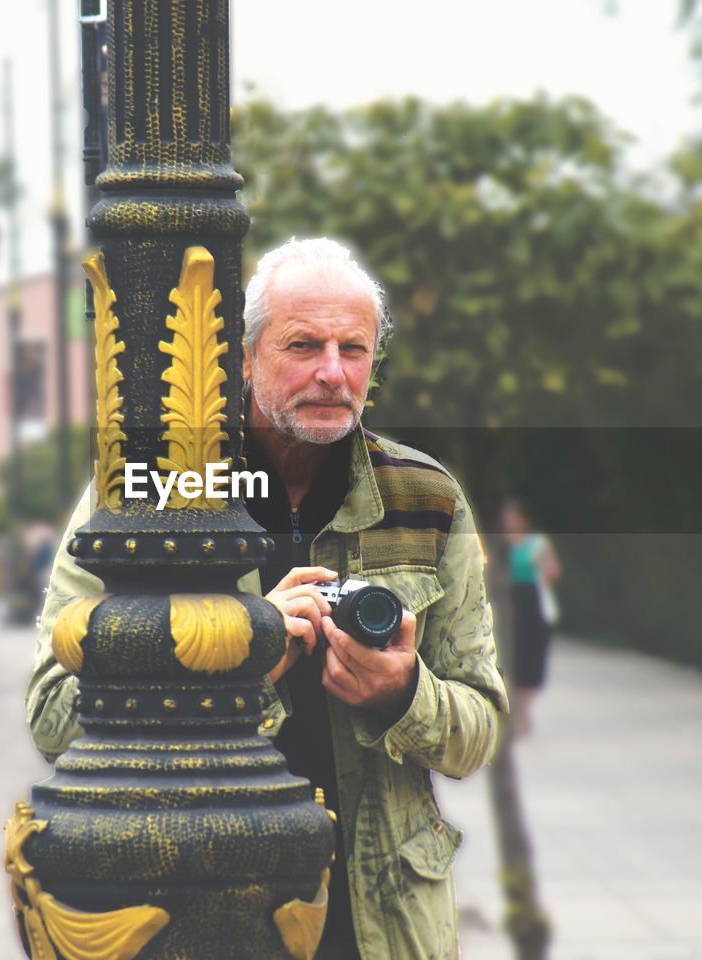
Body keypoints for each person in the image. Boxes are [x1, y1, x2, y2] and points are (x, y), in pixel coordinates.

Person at [27, 237, 508, 959]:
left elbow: (478, 731)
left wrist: (402, 693)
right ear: (242, 358)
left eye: (354, 349)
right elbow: (54, 715)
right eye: (303, 345)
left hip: (378, 922)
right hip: (194, 913)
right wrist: (247, 652)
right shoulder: (147, 494)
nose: (332, 373)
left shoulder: (426, 497)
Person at [501, 501, 562, 739]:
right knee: (510, 659)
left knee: (532, 662)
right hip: (507, 608)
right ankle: (513, 711)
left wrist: (542, 567)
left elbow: (554, 572)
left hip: (533, 608)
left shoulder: (538, 543)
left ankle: (522, 710)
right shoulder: (498, 545)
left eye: (512, 516)